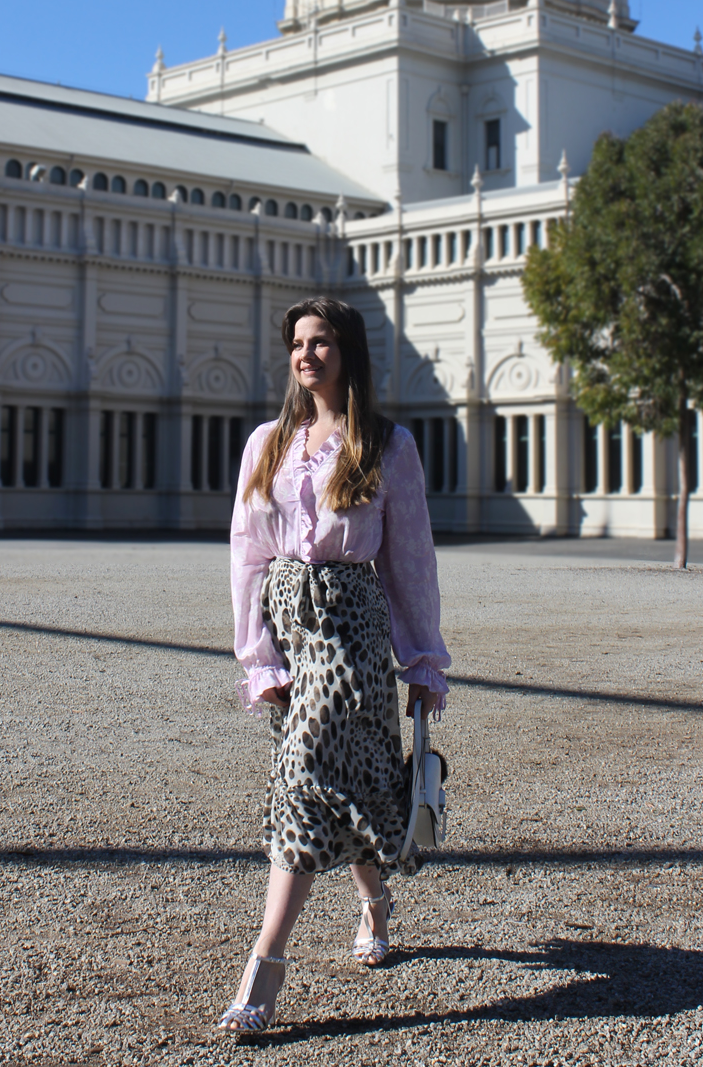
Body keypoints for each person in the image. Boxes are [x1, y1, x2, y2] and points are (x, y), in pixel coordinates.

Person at [219, 296, 450, 1033]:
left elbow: (410, 562)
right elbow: (247, 556)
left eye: (320, 342)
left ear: (347, 351)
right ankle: (376, 901)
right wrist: (257, 658)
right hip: (291, 635)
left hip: (351, 641)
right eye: (297, 343)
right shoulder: (268, 442)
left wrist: (422, 660)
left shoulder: (386, 445)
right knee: (348, 788)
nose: (306, 354)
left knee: (307, 775)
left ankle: (264, 969)